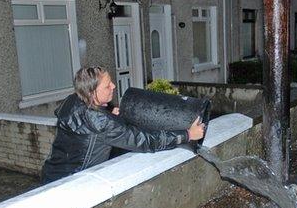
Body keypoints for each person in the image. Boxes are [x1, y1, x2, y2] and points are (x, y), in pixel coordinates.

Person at [42, 67, 205, 183]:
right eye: (107, 86)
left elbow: (87, 124)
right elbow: (145, 141)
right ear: (92, 93)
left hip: (53, 174)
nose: (113, 86)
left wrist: (106, 113)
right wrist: (188, 135)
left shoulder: (73, 100)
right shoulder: (101, 122)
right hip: (75, 184)